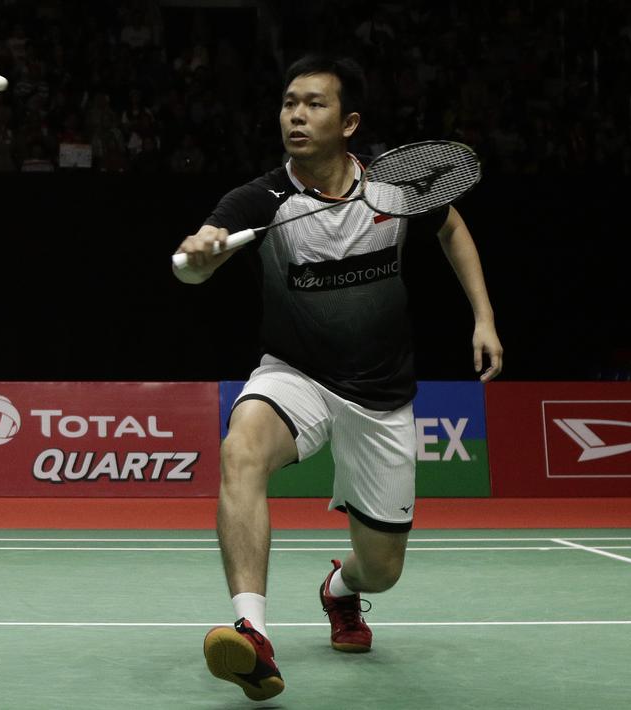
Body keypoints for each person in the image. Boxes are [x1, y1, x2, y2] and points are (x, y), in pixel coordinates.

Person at [173, 55, 503, 701]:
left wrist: (483, 317)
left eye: (314, 103)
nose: (296, 114)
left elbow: (452, 228)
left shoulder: (393, 188)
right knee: (240, 449)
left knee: (381, 571)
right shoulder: (260, 199)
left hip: (380, 397)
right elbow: (191, 268)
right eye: (289, 102)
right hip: (295, 373)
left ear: (348, 121)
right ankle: (252, 633)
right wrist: (200, 252)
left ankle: (339, 591)